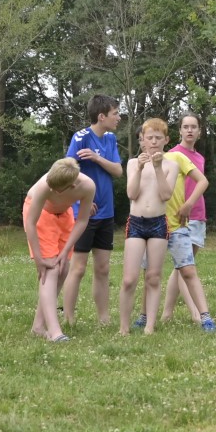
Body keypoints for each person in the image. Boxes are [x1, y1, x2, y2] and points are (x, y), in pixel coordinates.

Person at [62, 94, 124, 330]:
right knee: (78, 268)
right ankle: (68, 319)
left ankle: (104, 319)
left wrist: (97, 159)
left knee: (103, 268)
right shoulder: (80, 138)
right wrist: (81, 200)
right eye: (115, 113)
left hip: (106, 213)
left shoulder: (110, 139)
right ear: (101, 116)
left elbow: (118, 171)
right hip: (83, 215)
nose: (118, 117)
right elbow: (66, 172)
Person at [22, 157, 95, 342]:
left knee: (63, 269)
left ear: (72, 186)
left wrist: (65, 251)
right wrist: (39, 259)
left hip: (64, 215)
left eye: (57, 189)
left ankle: (38, 326)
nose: (52, 190)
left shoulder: (87, 186)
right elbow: (30, 223)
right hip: (41, 215)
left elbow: (82, 220)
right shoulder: (45, 185)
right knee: (51, 269)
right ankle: (55, 332)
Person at [118, 119, 179, 335]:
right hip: (136, 223)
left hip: (158, 224)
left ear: (166, 140)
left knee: (153, 276)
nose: (153, 142)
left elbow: (165, 195)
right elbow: (131, 193)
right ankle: (124, 327)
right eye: (149, 138)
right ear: (142, 140)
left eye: (158, 138)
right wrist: (140, 168)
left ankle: (150, 325)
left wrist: (158, 168)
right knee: (129, 279)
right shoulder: (133, 163)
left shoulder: (171, 165)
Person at [158, 114, 214, 329]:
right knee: (185, 266)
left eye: (194, 127)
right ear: (180, 130)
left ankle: (167, 313)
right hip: (179, 217)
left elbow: (199, 184)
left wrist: (193, 206)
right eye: (186, 127)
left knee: (182, 266)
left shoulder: (199, 157)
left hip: (198, 214)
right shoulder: (172, 155)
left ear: (199, 131)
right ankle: (195, 313)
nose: (190, 130)